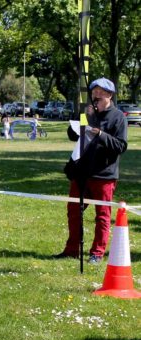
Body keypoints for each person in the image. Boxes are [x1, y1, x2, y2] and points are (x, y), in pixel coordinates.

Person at [55, 77, 127, 264]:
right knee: (73, 211)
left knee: (102, 215)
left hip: (104, 175)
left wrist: (101, 134)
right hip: (81, 172)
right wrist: (80, 119)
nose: (96, 97)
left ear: (109, 96)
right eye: (94, 94)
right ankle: (72, 249)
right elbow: (72, 135)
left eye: (100, 95)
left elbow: (120, 146)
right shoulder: (88, 113)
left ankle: (97, 252)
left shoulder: (118, 117)